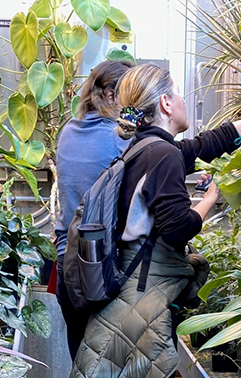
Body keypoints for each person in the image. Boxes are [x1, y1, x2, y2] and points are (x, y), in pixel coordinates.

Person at [70, 64, 241, 378]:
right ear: (165, 103)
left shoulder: (143, 149)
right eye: (178, 93)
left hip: (130, 286)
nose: (183, 100)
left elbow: (211, 143)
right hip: (146, 289)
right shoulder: (163, 155)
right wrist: (209, 200)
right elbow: (178, 228)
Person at [54, 59, 136, 359]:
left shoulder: (68, 131)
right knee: (110, 363)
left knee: (81, 359)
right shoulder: (118, 139)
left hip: (66, 262)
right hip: (98, 268)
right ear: (113, 96)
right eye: (132, 95)